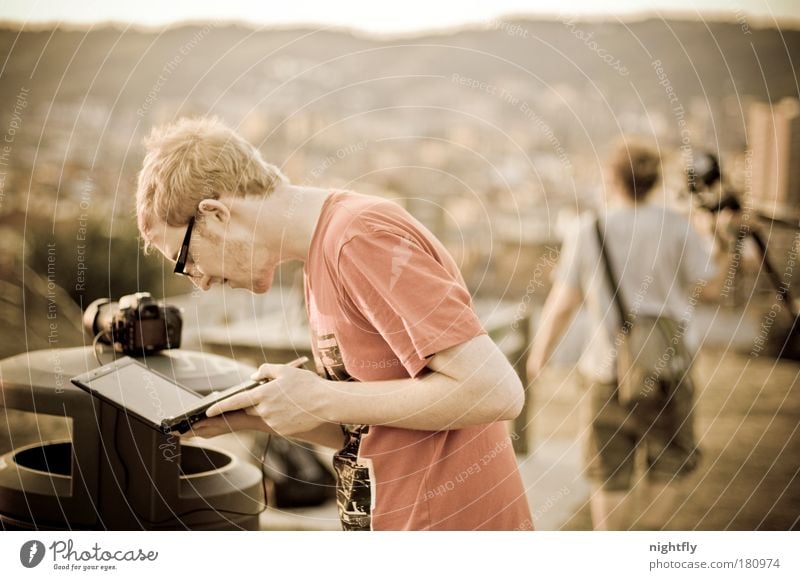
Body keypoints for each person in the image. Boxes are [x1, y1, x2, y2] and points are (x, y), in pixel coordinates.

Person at [135, 117, 532, 531]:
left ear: (215, 214)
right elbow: (376, 429)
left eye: (185, 260)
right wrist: (261, 416)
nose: (199, 279)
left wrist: (321, 397)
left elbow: (495, 392)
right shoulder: (321, 256)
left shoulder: (359, 238)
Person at [526, 139, 721, 530]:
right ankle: (646, 546)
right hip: (671, 365)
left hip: (607, 368)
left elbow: (563, 303)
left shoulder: (589, 229)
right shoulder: (678, 225)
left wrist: (539, 355)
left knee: (608, 470)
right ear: (654, 180)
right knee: (670, 460)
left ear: (611, 179)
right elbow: (711, 288)